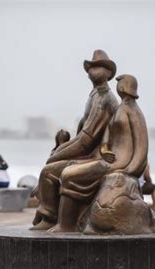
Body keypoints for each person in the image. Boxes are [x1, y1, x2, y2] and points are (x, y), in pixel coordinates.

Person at [31, 49, 119, 230]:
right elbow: (81, 137)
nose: (95, 71)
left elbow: (86, 140)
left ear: (109, 73)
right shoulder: (94, 96)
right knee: (50, 167)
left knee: (49, 172)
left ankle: (56, 220)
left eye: (100, 67)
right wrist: (58, 151)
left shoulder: (104, 98)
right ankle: (48, 217)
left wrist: (55, 157)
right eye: (92, 67)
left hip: (99, 157)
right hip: (89, 153)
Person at [49, 74, 149, 232]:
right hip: (109, 160)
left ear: (126, 87)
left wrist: (131, 169)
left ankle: (66, 225)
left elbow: (142, 146)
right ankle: (64, 223)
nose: (118, 86)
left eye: (120, 83)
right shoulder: (119, 110)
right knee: (67, 172)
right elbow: (106, 139)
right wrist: (104, 149)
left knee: (69, 175)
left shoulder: (134, 112)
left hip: (120, 164)